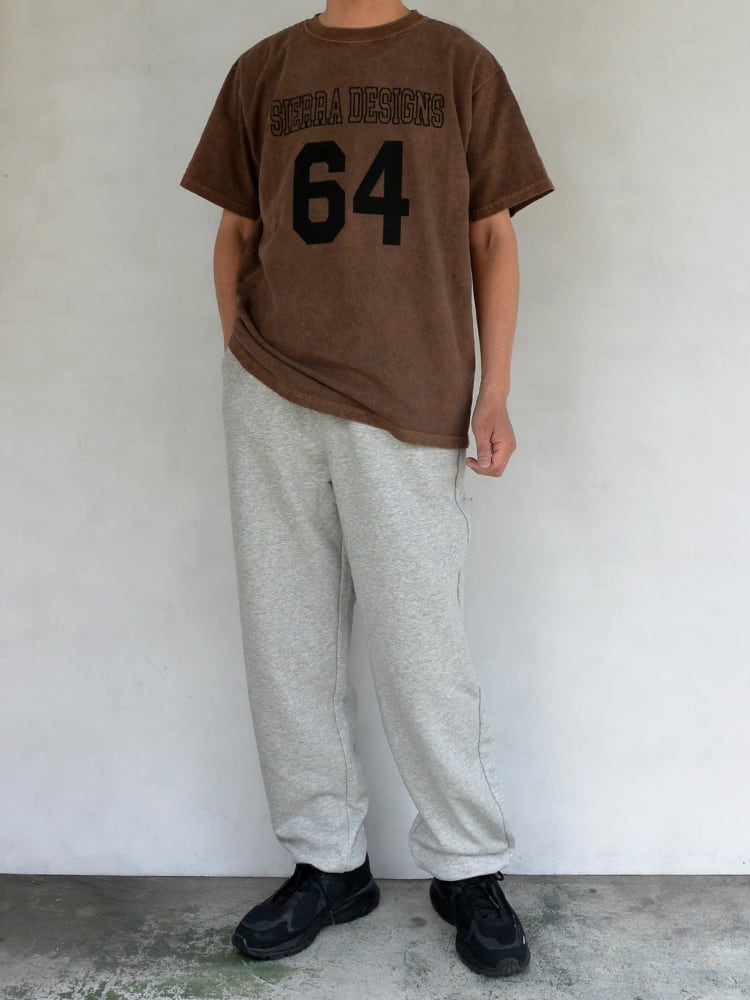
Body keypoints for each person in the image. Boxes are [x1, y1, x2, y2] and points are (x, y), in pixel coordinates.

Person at [179, 0, 554, 979]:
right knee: (287, 638)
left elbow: (492, 237)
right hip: (272, 393)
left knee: (423, 644)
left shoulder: (459, 65)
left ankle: (467, 866)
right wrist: (243, 352)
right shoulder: (264, 70)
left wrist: (494, 392)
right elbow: (234, 229)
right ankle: (327, 861)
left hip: (409, 399)